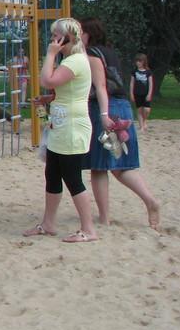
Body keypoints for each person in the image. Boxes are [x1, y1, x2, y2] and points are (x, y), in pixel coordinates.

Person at [80, 17, 160, 230]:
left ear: (88, 34)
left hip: (105, 110)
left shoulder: (91, 55)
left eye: (80, 32)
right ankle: (149, 200)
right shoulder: (109, 52)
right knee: (121, 163)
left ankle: (105, 217)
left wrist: (104, 115)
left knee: (98, 167)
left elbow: (100, 87)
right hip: (121, 108)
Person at [24, 19, 97, 242]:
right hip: (61, 124)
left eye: (56, 35)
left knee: (73, 178)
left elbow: (47, 80)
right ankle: (48, 223)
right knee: (52, 173)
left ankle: (89, 229)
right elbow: (64, 90)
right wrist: (49, 99)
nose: (52, 39)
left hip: (72, 127)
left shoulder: (74, 60)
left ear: (68, 38)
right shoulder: (70, 60)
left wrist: (50, 54)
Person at [130, 53, 154, 131]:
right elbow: (132, 83)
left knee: (147, 109)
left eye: (139, 61)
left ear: (144, 62)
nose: (138, 63)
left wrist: (149, 94)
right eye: (137, 61)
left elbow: (151, 84)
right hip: (137, 93)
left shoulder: (148, 72)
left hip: (146, 93)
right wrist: (131, 94)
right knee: (139, 109)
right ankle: (141, 126)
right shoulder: (134, 71)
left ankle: (144, 121)